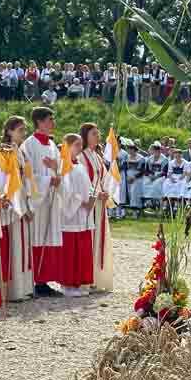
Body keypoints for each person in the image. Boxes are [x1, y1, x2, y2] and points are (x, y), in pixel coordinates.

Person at [22, 107, 63, 297]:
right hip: (37, 200)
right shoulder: (28, 145)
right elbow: (27, 175)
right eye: (49, 119)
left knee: (48, 236)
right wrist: (47, 180)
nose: (53, 123)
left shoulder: (53, 145)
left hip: (51, 198)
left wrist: (56, 171)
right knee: (37, 236)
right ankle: (35, 279)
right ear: (39, 122)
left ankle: (44, 279)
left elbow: (59, 168)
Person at [57, 133, 95, 297]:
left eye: (81, 144)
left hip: (83, 213)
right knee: (70, 249)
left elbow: (87, 185)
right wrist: (81, 200)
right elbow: (65, 191)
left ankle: (79, 281)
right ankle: (67, 284)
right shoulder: (63, 165)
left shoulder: (79, 164)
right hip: (71, 213)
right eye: (77, 145)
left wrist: (92, 196)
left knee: (81, 248)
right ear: (68, 145)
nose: (80, 147)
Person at [1, 116, 33, 301]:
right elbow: (9, 182)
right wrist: (20, 205)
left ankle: (22, 287)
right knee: (14, 245)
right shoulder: (6, 152)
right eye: (20, 129)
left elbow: (25, 181)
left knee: (22, 245)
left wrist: (28, 204)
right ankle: (13, 289)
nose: (23, 133)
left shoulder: (20, 152)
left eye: (24, 130)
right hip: (13, 205)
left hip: (22, 201)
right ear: (9, 131)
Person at [79, 123, 114, 292]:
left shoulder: (98, 157)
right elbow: (82, 180)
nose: (97, 136)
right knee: (89, 239)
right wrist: (96, 193)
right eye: (94, 133)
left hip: (99, 204)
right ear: (85, 136)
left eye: (98, 133)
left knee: (98, 239)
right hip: (89, 204)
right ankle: (86, 276)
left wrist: (106, 191)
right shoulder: (81, 156)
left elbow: (104, 179)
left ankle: (95, 276)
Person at [117, 139, 145, 219]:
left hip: (138, 178)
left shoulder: (141, 158)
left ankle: (136, 211)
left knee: (134, 192)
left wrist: (134, 177)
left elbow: (142, 171)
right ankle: (123, 211)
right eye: (128, 149)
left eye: (130, 149)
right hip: (127, 178)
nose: (129, 151)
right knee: (127, 193)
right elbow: (124, 167)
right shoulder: (127, 157)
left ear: (134, 149)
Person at [142, 141, 167, 211]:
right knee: (145, 183)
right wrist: (150, 176)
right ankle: (148, 202)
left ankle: (157, 204)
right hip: (151, 175)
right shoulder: (150, 159)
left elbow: (165, 172)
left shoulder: (164, 159)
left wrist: (156, 177)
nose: (156, 152)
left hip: (160, 176)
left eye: (158, 151)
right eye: (155, 150)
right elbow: (146, 170)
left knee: (156, 184)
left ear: (160, 151)